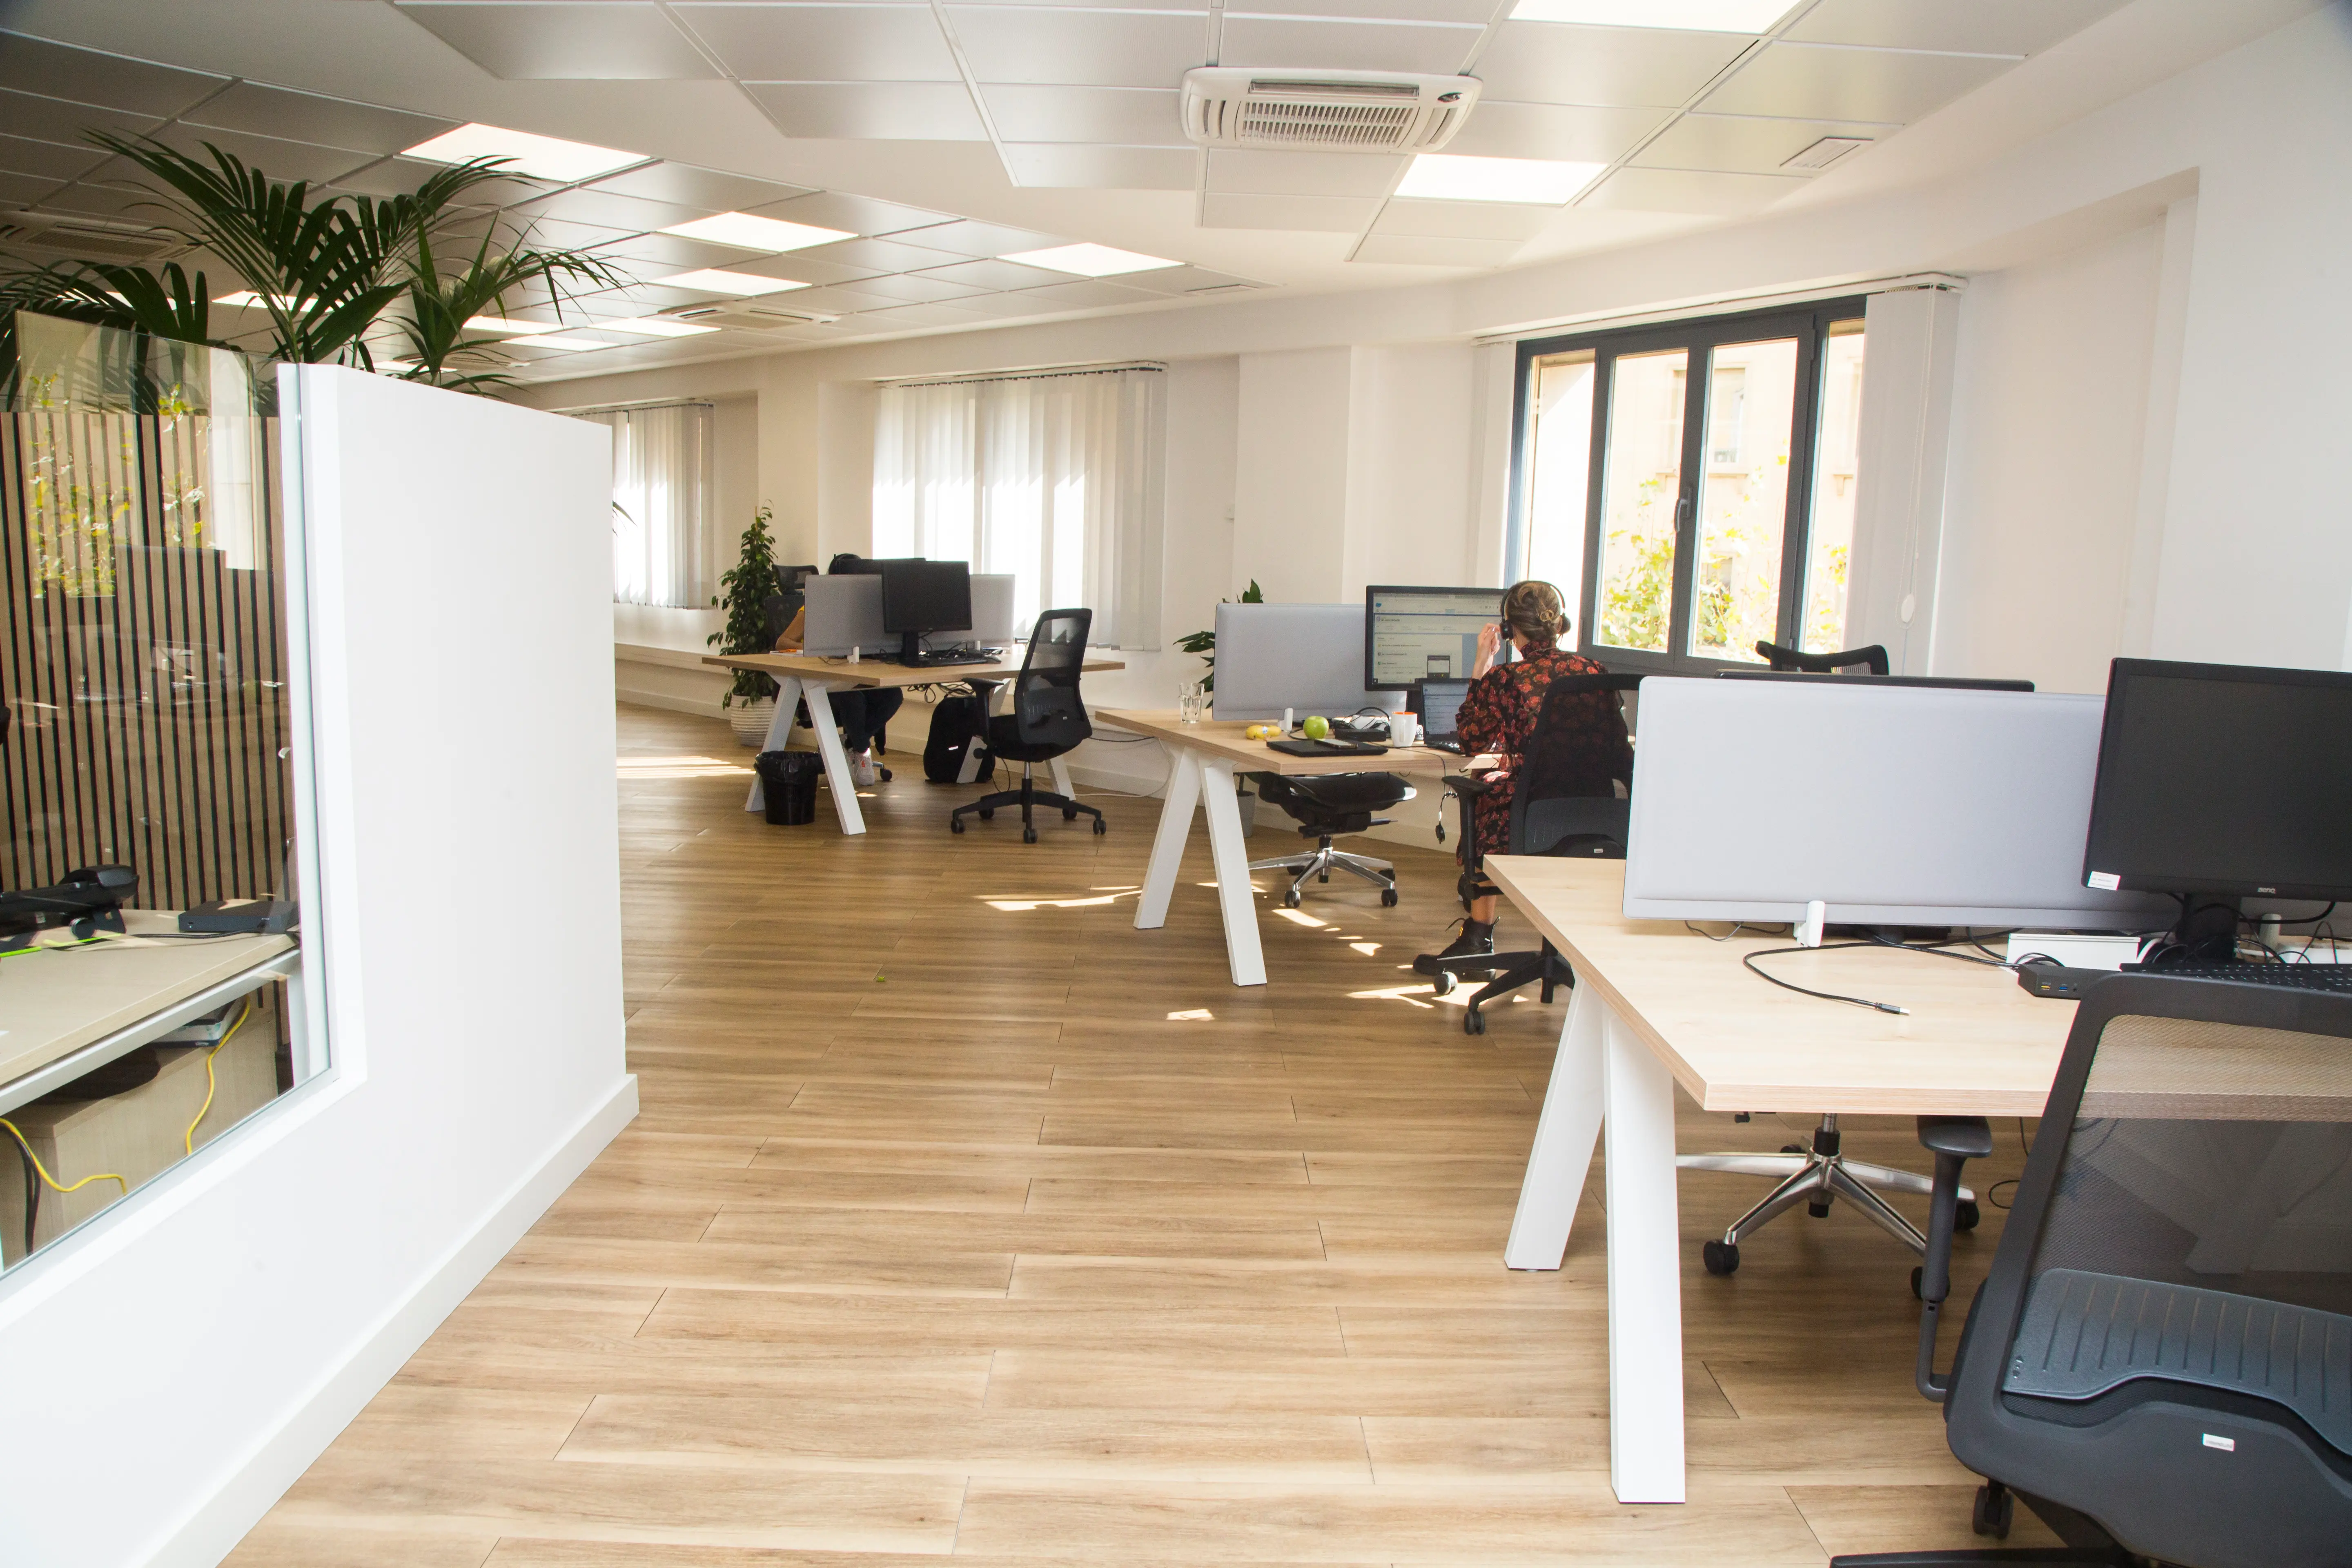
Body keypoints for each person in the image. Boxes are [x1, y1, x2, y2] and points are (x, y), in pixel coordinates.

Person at [1423, 579, 1631, 969]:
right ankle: (1579, 945)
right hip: (1599, 815)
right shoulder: (1595, 671)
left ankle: (1478, 936)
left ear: (1509, 629)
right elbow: (1619, 749)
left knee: (1486, 790)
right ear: (1560, 623)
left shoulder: (1506, 679)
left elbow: (1472, 739)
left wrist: (1480, 668)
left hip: (1528, 819)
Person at [769, 553, 904, 787]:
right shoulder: (814, 607)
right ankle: (862, 750)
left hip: (856, 676)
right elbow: (782, 643)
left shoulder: (865, 611)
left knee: (893, 696)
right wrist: (815, 648)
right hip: (825, 680)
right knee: (853, 700)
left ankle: (849, 744)